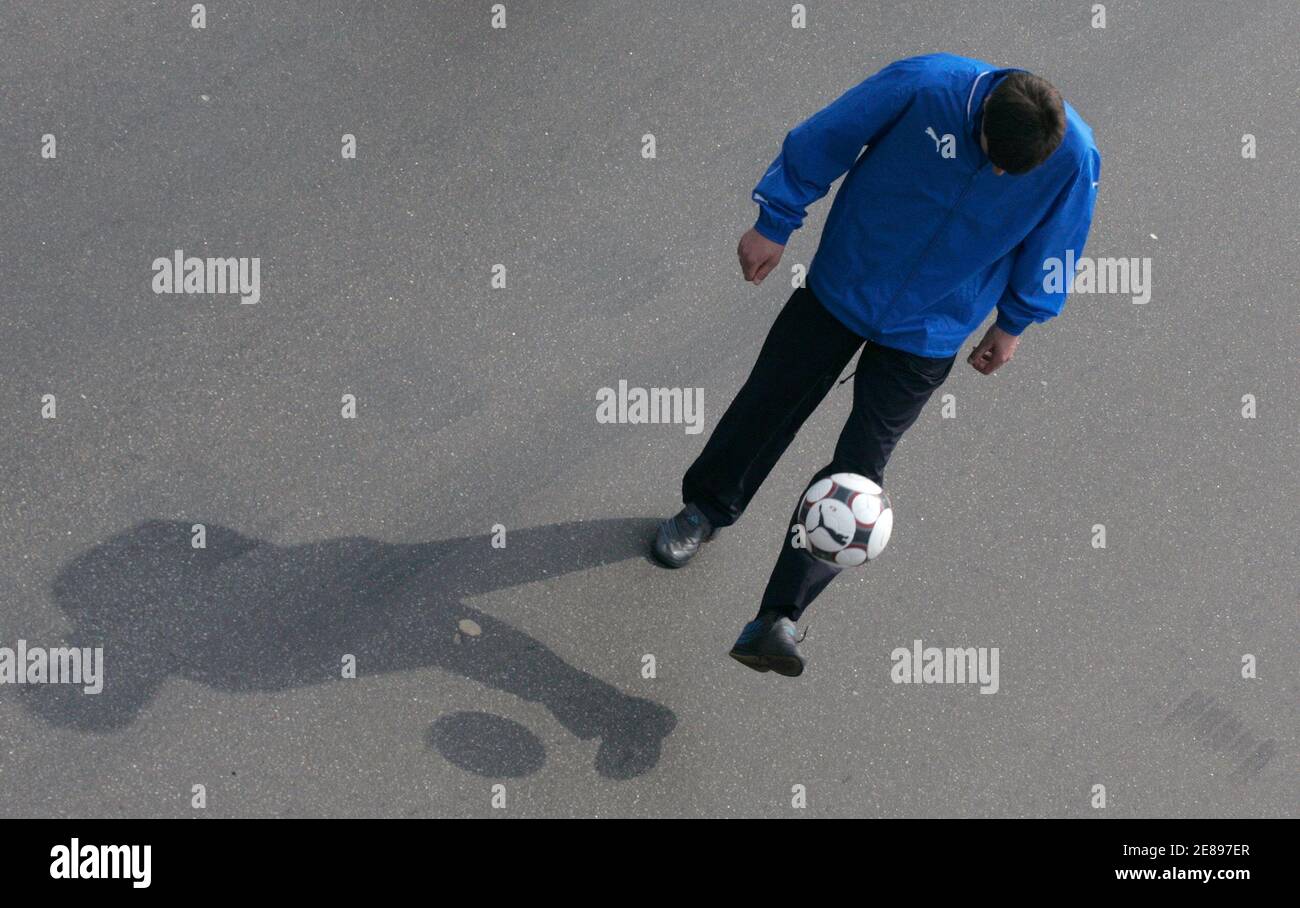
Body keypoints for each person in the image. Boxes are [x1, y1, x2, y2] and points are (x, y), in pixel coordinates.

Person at [652, 53, 1101, 676]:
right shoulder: (925, 86)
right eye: (993, 157)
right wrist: (775, 220)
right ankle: (704, 508)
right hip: (843, 283)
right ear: (981, 121)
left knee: (859, 476)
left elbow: (1058, 243)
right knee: (768, 404)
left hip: (931, 327)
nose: (998, 171)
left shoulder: (1074, 158)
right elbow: (825, 138)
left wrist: (1013, 323)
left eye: (1011, 172)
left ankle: (778, 617)